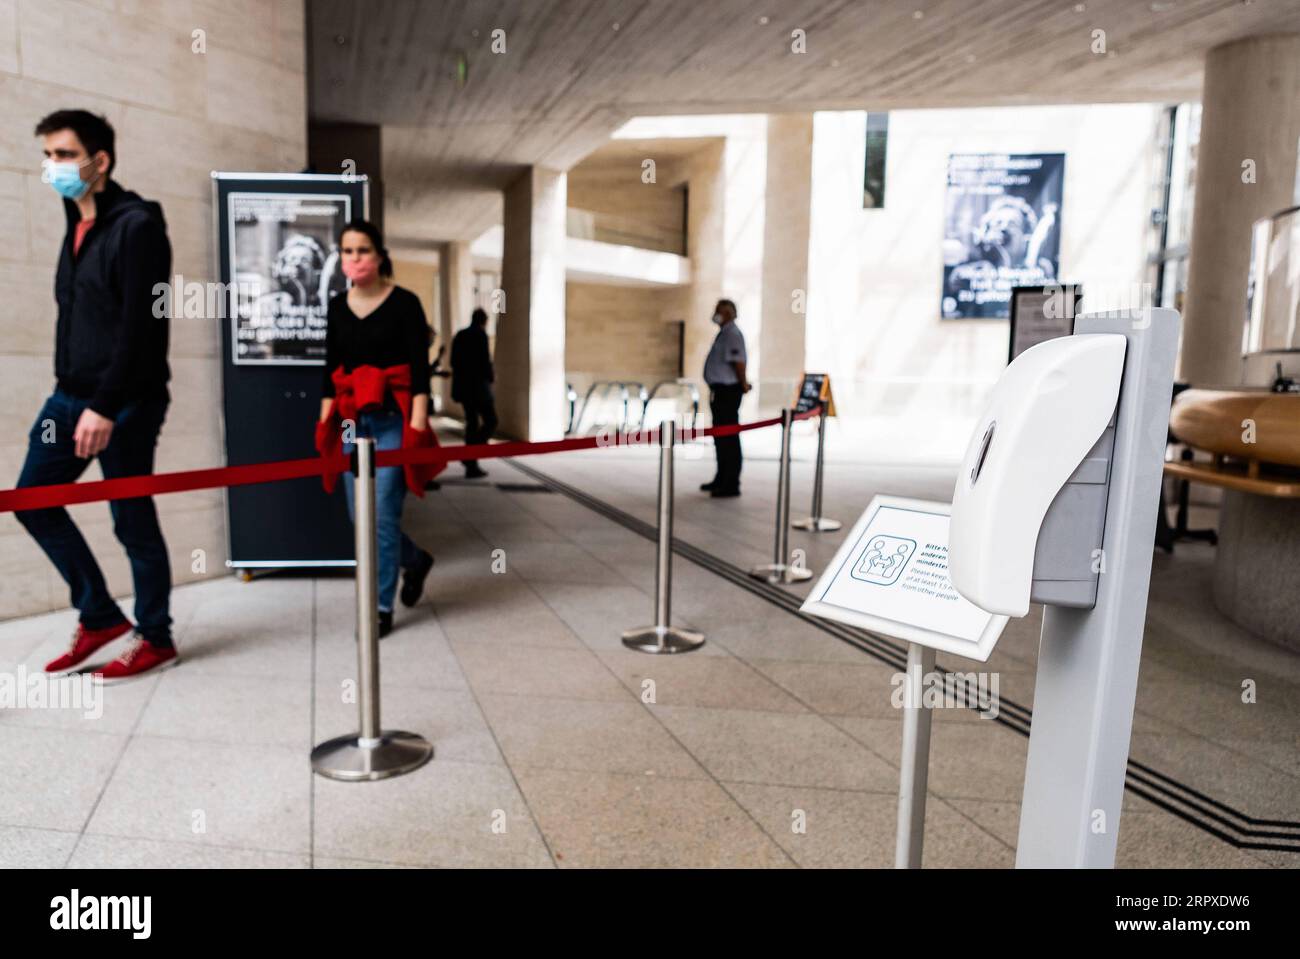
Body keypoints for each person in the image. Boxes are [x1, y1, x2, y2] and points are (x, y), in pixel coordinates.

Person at [15, 110, 177, 681]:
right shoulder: (75, 218)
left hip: (125, 399)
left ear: (99, 160)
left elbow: (144, 328)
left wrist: (104, 406)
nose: (51, 167)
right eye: (48, 156)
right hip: (69, 395)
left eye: (62, 155)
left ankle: (155, 636)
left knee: (130, 519)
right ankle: (100, 614)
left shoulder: (139, 226)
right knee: (32, 499)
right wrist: (77, 396)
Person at [316, 220, 437, 638]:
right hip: (351, 420)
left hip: (391, 421)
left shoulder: (405, 303)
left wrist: (417, 429)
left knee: (383, 515)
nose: (355, 259)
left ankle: (379, 606)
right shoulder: (335, 305)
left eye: (363, 250)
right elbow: (331, 369)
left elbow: (419, 373)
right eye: (347, 251)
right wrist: (324, 422)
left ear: (380, 255)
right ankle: (415, 560)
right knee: (360, 519)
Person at [700, 298, 750, 497]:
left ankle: (731, 483)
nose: (716, 314)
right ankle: (721, 477)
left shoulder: (733, 335)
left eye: (719, 311)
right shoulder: (723, 334)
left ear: (729, 313)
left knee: (728, 437)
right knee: (720, 437)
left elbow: (738, 363)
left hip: (728, 392)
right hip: (719, 391)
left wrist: (743, 383)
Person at [450, 307, 497, 479]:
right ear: (484, 321)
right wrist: (490, 378)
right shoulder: (480, 335)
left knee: (472, 423)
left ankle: (470, 459)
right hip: (478, 388)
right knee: (491, 421)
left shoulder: (460, 335)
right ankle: (470, 456)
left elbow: (453, 361)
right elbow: (485, 361)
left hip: (464, 389)